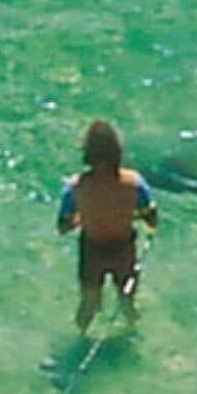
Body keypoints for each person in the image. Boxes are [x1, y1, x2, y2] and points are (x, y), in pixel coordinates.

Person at [56, 118, 158, 333]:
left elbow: (63, 226)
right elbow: (151, 216)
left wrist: (85, 216)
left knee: (89, 305)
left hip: (92, 251)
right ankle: (132, 336)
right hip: (123, 249)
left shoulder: (76, 187)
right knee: (127, 301)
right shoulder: (134, 182)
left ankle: (80, 339)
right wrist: (143, 225)